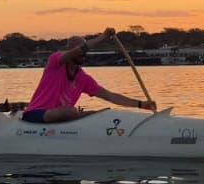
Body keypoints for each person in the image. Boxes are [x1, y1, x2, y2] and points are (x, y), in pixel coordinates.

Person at [22, 28, 156, 123]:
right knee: (70, 111)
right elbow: (81, 49)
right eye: (80, 51)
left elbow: (110, 96)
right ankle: (82, 115)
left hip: (62, 118)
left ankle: (87, 116)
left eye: (84, 52)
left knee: (102, 112)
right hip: (35, 114)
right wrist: (103, 36)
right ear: (70, 51)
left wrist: (141, 104)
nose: (84, 54)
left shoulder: (83, 78)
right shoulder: (56, 61)